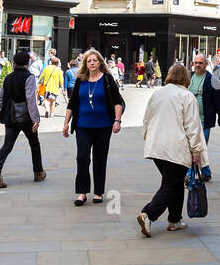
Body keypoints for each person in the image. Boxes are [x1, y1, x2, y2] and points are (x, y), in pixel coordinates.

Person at [136, 62, 209, 236]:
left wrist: (147, 136)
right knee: (171, 185)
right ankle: (148, 214)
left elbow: (147, 118)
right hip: (176, 147)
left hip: (156, 147)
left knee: (174, 183)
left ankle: (174, 219)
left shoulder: (157, 93)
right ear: (186, 78)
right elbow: (192, 126)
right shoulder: (187, 96)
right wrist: (196, 151)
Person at [63, 47, 124, 205]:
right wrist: (65, 123)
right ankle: (82, 192)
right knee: (82, 158)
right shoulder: (80, 79)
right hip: (83, 125)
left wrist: (117, 121)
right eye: (89, 60)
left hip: (103, 126)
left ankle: (98, 192)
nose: (91, 63)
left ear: (100, 62)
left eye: (94, 60)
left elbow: (117, 101)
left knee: (99, 158)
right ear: (85, 63)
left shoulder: (107, 79)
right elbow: (73, 103)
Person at [0, 49, 43, 188]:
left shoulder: (8, 77)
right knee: (34, 144)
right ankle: (38, 172)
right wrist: (35, 119)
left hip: (11, 119)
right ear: (28, 63)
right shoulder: (29, 77)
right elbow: (30, 99)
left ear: (14, 63)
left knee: (7, 145)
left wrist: (8, 110)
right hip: (26, 119)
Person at [187, 53, 220, 182]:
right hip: (189, 121)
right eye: (195, 63)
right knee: (193, 148)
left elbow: (219, 101)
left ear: (206, 64)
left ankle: (189, 174)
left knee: (199, 148)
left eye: (200, 63)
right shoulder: (189, 77)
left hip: (204, 120)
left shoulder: (212, 80)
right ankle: (206, 171)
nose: (197, 65)